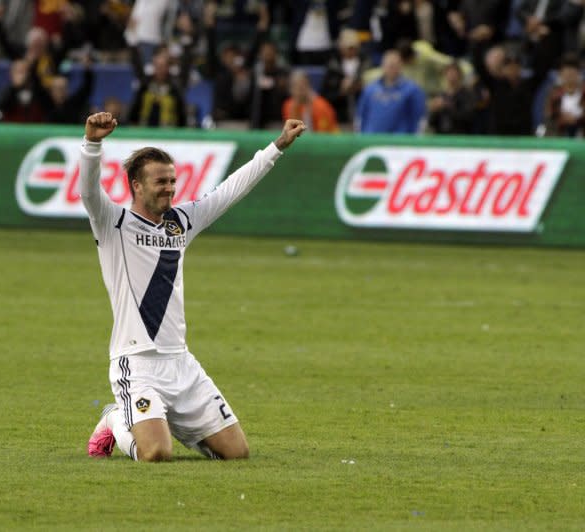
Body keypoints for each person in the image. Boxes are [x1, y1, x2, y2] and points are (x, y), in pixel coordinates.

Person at [83, 111, 306, 462]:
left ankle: (160, 420)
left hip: (182, 365)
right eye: (160, 182)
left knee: (237, 453)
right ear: (137, 186)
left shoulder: (182, 222)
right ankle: (114, 420)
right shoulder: (114, 223)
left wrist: (276, 147)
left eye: (172, 180)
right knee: (155, 453)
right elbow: (88, 191)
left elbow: (230, 190)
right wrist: (93, 144)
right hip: (137, 363)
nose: (170, 188)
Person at [356, 49, 426, 133]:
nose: (392, 69)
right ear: (382, 66)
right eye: (389, 65)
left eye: (395, 65)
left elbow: (419, 117)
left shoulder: (412, 90)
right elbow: (360, 115)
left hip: (399, 141)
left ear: (401, 66)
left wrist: (416, 139)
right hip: (372, 139)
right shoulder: (370, 89)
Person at [427, 61, 477, 133]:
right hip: (442, 136)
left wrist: (447, 106)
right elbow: (431, 122)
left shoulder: (467, 94)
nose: (451, 76)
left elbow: (469, 117)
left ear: (460, 75)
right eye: (449, 73)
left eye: (454, 73)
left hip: (461, 136)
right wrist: (434, 111)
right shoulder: (440, 95)